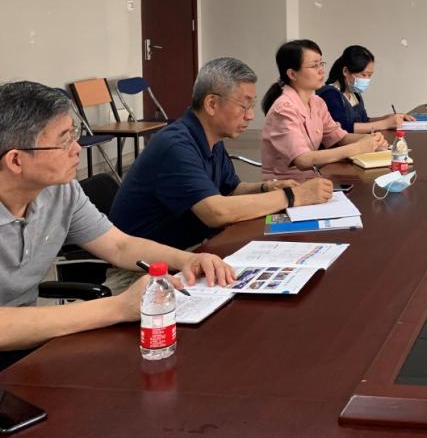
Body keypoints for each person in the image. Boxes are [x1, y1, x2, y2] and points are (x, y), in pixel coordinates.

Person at [0, 81, 234, 366]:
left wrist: (188, 260)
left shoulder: (60, 191)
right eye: (63, 141)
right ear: (16, 160)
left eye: (73, 134)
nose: (76, 148)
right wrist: (119, 307)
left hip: (28, 346)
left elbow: (119, 245)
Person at [110, 58, 333, 250]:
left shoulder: (212, 138)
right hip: (143, 268)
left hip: (189, 250)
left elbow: (230, 189)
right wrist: (294, 196)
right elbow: (216, 212)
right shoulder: (175, 146)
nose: (250, 116)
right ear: (212, 104)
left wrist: (266, 187)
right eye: (244, 106)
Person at [261, 40, 387, 181]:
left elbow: (339, 137)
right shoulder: (283, 109)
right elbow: (303, 160)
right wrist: (358, 147)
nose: (321, 70)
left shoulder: (317, 102)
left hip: (314, 180)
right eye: (314, 66)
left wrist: (369, 140)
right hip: (287, 186)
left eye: (321, 64)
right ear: (292, 74)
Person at [318, 45, 413, 133]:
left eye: (369, 75)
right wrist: (385, 124)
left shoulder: (354, 93)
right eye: (364, 75)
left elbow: (365, 121)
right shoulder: (330, 94)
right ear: (346, 71)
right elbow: (342, 128)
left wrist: (389, 118)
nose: (366, 79)